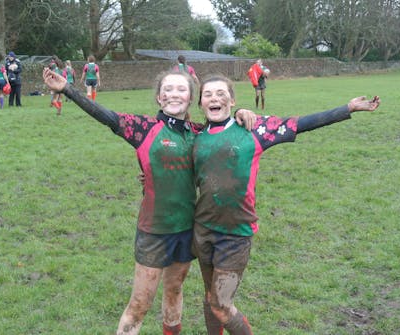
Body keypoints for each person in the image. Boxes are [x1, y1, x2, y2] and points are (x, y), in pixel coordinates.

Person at [42, 67, 256, 335]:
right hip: (154, 231)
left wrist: (241, 114)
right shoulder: (143, 129)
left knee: (175, 290)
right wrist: (68, 90)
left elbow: (224, 132)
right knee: (140, 304)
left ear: (191, 98)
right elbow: (107, 116)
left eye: (181, 89)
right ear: (159, 97)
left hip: (188, 230)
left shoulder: (198, 132)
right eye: (168, 89)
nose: (174, 94)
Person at [192, 74, 381, 334]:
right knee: (210, 297)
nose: (214, 98)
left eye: (221, 93)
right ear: (200, 103)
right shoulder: (194, 137)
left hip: (235, 235)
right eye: (208, 94)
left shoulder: (253, 129)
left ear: (233, 100)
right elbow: (169, 163)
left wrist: (346, 109)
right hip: (202, 231)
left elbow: (298, 124)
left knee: (222, 303)